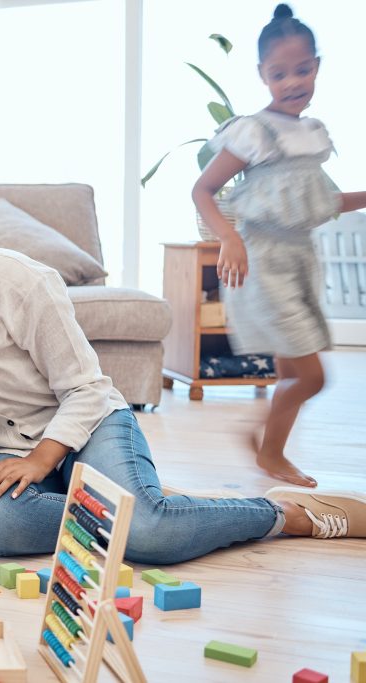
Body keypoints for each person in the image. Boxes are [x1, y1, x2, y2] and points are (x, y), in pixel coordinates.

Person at [0, 176, 366, 563]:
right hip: (4, 450)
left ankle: (285, 514)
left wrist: (42, 462)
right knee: (1, 529)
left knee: (150, 533)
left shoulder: (23, 284)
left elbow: (85, 390)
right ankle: (142, 502)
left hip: (90, 426)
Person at [193, 4, 366, 488]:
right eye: (279, 73)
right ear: (262, 76)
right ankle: (266, 447)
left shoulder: (311, 135)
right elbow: (203, 190)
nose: (293, 82)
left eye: (303, 69)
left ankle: (272, 453)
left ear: (317, 66)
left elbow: (322, 201)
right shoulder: (254, 131)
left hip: (300, 261)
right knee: (312, 378)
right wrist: (228, 237)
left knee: (293, 373)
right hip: (264, 264)